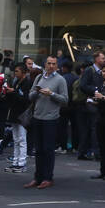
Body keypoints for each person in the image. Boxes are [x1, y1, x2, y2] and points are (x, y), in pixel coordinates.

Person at [24, 56, 67, 189]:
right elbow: (30, 96)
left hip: (51, 119)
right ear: (45, 64)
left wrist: (52, 94)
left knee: (48, 149)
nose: (51, 66)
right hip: (37, 117)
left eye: (54, 64)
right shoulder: (39, 78)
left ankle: (48, 178)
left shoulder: (60, 80)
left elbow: (65, 100)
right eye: (49, 63)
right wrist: (37, 92)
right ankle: (38, 177)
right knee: (39, 150)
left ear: (57, 65)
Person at [0, 63, 33, 173]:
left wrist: (14, 92)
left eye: (17, 71)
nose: (15, 73)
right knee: (16, 138)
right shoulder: (17, 82)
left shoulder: (27, 83)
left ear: (23, 72)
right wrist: (9, 92)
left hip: (22, 114)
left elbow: (25, 99)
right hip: (15, 113)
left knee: (21, 139)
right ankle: (16, 162)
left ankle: (21, 163)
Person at [76, 52, 105, 160]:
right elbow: (83, 86)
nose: (104, 60)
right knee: (93, 128)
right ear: (96, 59)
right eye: (102, 58)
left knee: (90, 128)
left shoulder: (100, 72)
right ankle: (95, 152)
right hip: (89, 103)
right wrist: (95, 90)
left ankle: (84, 152)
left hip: (94, 103)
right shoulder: (90, 70)